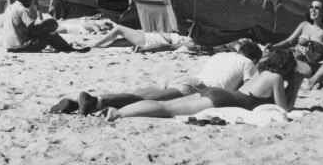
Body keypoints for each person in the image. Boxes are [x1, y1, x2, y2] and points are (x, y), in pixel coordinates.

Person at [51, 40, 264, 115]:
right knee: (142, 102)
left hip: (186, 78)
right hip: (196, 88)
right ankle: (98, 101)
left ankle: (74, 104)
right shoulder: (248, 64)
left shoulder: (221, 55)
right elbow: (246, 92)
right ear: (253, 58)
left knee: (137, 94)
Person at [105, 48, 302, 120]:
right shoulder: (275, 78)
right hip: (223, 99)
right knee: (166, 109)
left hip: (219, 92)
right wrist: (296, 82)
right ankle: (118, 113)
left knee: (166, 106)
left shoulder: (262, 73)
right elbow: (283, 108)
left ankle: (120, 110)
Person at [4, 0, 88, 54]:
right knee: (50, 36)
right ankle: (68, 49)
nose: (32, 1)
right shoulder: (22, 10)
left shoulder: (10, 8)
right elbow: (32, 31)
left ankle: (66, 47)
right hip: (21, 46)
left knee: (48, 32)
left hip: (10, 45)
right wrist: (46, 28)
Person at [268, 0, 323, 74]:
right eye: (311, 7)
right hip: (293, 55)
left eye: (317, 8)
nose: (313, 10)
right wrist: (274, 46)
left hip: (307, 63)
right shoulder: (304, 25)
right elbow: (289, 41)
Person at [92, 21, 193, 51]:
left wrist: (144, 49)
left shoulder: (189, 43)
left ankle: (96, 44)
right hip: (147, 37)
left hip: (148, 40)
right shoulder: (189, 39)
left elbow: (167, 47)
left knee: (119, 29)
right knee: (120, 41)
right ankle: (100, 47)